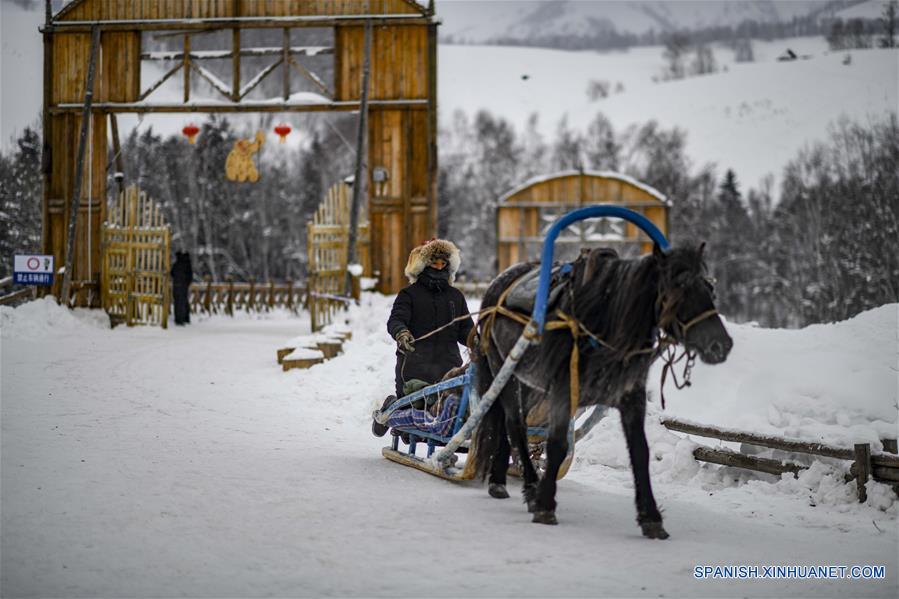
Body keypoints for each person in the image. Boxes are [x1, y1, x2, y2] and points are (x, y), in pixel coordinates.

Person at [372, 239, 474, 437]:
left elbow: (466, 329)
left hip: (448, 368)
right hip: (413, 366)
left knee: (446, 416)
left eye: (442, 263)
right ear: (423, 265)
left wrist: (476, 341)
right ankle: (389, 410)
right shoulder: (409, 294)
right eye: (433, 263)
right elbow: (395, 320)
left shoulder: (456, 297)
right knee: (412, 425)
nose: (438, 267)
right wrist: (402, 333)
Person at [171, 251, 193, 325]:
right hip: (183, 286)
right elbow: (190, 277)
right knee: (183, 302)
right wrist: (187, 284)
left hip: (176, 286)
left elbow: (172, 273)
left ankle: (178, 319)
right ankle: (184, 318)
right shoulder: (187, 264)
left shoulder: (176, 264)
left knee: (177, 303)